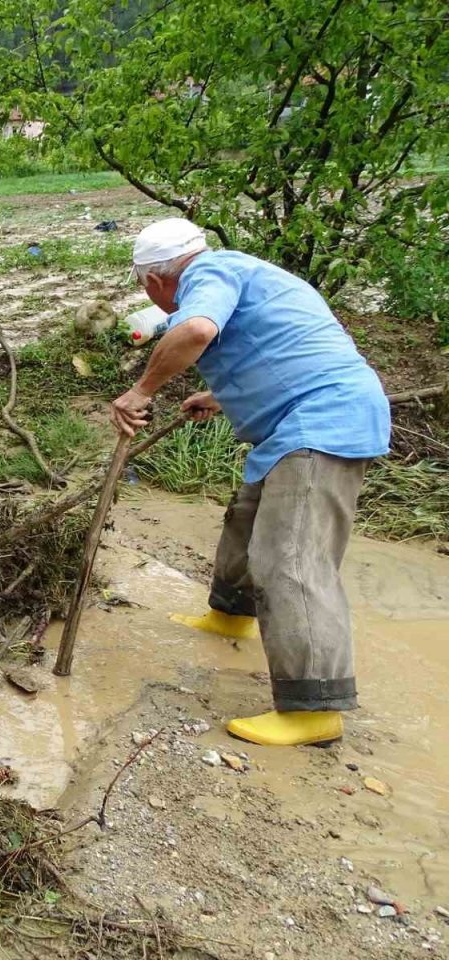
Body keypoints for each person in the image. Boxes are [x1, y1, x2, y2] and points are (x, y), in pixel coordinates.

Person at [113, 218, 390, 747]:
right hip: (295, 423)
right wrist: (221, 397)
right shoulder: (239, 270)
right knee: (245, 522)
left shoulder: (209, 271)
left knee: (291, 559)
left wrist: (141, 391)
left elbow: (195, 331)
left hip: (322, 422)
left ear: (153, 280)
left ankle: (316, 707)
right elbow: (280, 345)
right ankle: (231, 617)